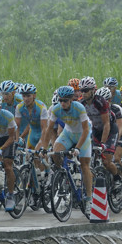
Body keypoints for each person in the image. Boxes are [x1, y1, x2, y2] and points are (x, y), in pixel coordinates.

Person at [38, 85, 94, 214]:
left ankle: (89, 199)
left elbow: (86, 130)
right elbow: (48, 130)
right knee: (55, 153)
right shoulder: (56, 109)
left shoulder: (79, 108)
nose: (62, 103)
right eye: (60, 100)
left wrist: (78, 148)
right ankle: (63, 174)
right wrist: (44, 148)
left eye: (65, 101)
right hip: (68, 133)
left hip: (83, 134)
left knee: (85, 165)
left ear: (71, 100)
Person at [79, 76, 122, 183]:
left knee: (106, 162)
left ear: (93, 90)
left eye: (86, 90)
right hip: (96, 130)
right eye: (82, 91)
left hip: (110, 131)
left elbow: (107, 124)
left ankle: (117, 178)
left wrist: (103, 143)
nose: (83, 93)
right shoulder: (81, 104)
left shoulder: (100, 102)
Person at [98, 87, 122, 164]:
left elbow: (119, 128)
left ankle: (121, 175)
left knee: (116, 158)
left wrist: (114, 144)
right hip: (110, 130)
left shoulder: (116, 109)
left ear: (109, 100)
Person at [15, 83, 49, 149]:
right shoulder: (19, 107)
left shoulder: (41, 107)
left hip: (43, 132)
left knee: (39, 154)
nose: (26, 99)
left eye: (28, 96)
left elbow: (44, 128)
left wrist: (41, 143)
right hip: (33, 131)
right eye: (24, 96)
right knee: (28, 156)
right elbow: (17, 126)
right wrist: (17, 140)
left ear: (34, 95)